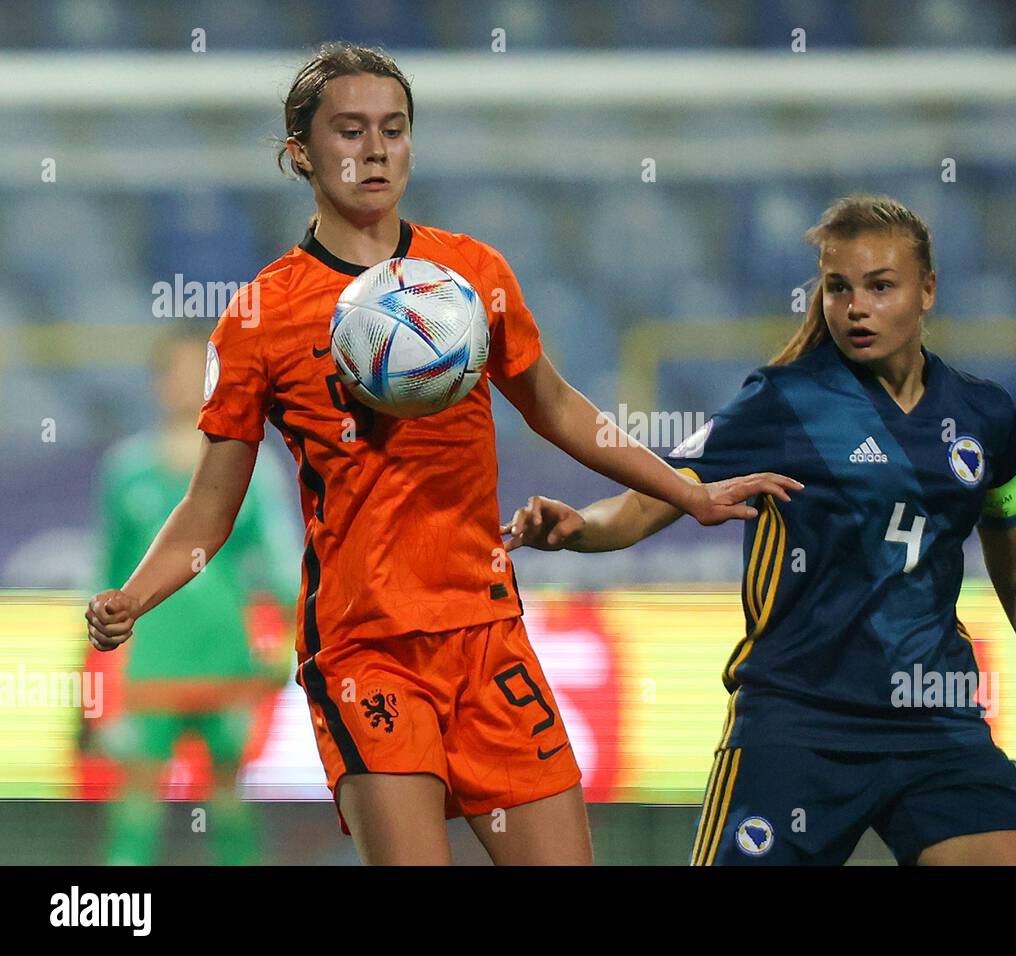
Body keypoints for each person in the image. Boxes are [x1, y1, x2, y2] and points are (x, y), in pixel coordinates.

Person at [83, 42, 799, 866]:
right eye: (349, 131)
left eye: (394, 128)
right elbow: (211, 508)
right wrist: (134, 598)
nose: (376, 149)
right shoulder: (259, 317)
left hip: (489, 635)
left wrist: (686, 492)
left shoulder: (472, 274)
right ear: (300, 154)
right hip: (366, 649)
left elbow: (557, 408)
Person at [502, 194, 1016, 865]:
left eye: (880, 287)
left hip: (936, 725)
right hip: (796, 727)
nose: (856, 307)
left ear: (928, 290)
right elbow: (650, 502)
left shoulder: (986, 418)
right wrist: (577, 528)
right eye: (839, 288)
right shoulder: (782, 403)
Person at [91, 325, 299, 865]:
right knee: (136, 800)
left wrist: (288, 643)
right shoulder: (126, 471)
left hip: (226, 659)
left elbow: (279, 568)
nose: (186, 383)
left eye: (198, 371)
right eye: (175, 371)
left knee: (228, 800)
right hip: (153, 662)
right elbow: (108, 577)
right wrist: (99, 666)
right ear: (158, 383)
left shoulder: (250, 468)